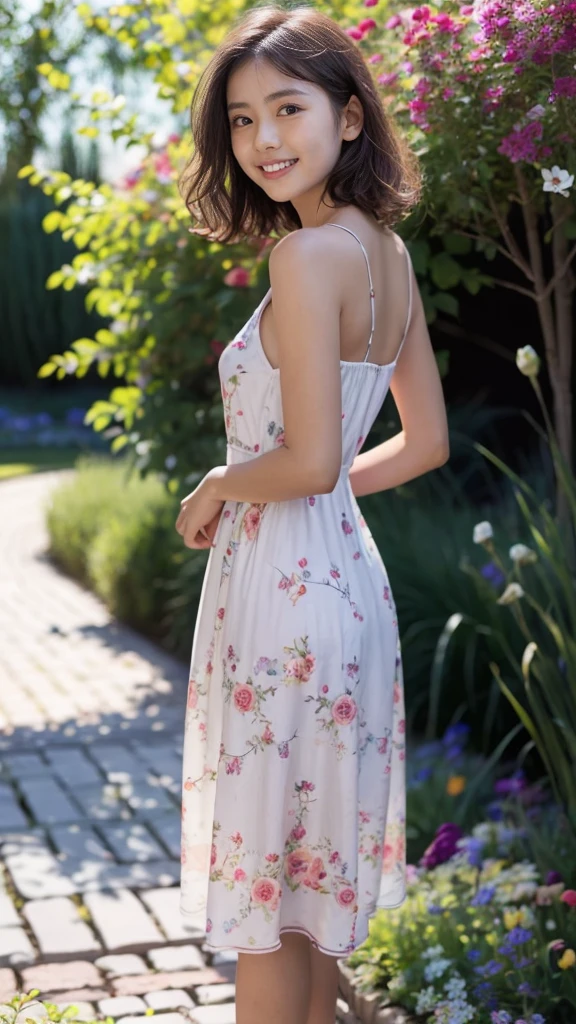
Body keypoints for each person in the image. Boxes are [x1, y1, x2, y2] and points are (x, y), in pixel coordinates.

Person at [175, 5, 449, 1023]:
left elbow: (310, 457)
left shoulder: (306, 259)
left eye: (287, 108)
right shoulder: (387, 257)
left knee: (263, 903)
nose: (262, 141)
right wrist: (312, 487)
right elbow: (423, 444)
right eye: (241, 120)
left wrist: (217, 485)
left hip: (283, 606)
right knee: (301, 904)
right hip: (347, 596)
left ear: (348, 115)